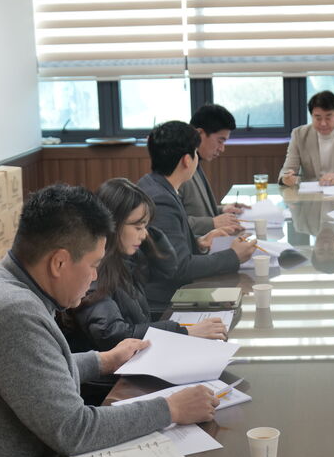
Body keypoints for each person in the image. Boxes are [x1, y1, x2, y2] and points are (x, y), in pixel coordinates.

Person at [0, 184, 219, 457]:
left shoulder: (1, 280)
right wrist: (170, 409)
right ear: (59, 263)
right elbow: (74, 431)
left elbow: (36, 373)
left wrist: (103, 361)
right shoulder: (13, 312)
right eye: (93, 265)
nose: (95, 276)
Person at [73, 178, 227, 351]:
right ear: (113, 224)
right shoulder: (94, 270)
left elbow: (168, 268)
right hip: (118, 366)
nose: (144, 234)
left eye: (146, 226)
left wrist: (148, 235)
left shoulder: (125, 258)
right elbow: (111, 334)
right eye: (138, 227)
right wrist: (184, 332)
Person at [137, 121, 256, 310]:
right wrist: (233, 256)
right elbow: (180, 267)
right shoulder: (161, 200)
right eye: (195, 153)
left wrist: (199, 242)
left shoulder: (155, 185)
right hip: (164, 303)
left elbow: (166, 250)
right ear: (187, 160)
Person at [179, 104, 247, 235]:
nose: (222, 148)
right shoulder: (179, 168)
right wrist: (213, 222)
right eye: (220, 141)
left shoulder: (196, 162)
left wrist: (222, 210)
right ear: (199, 134)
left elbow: (195, 210)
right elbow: (171, 222)